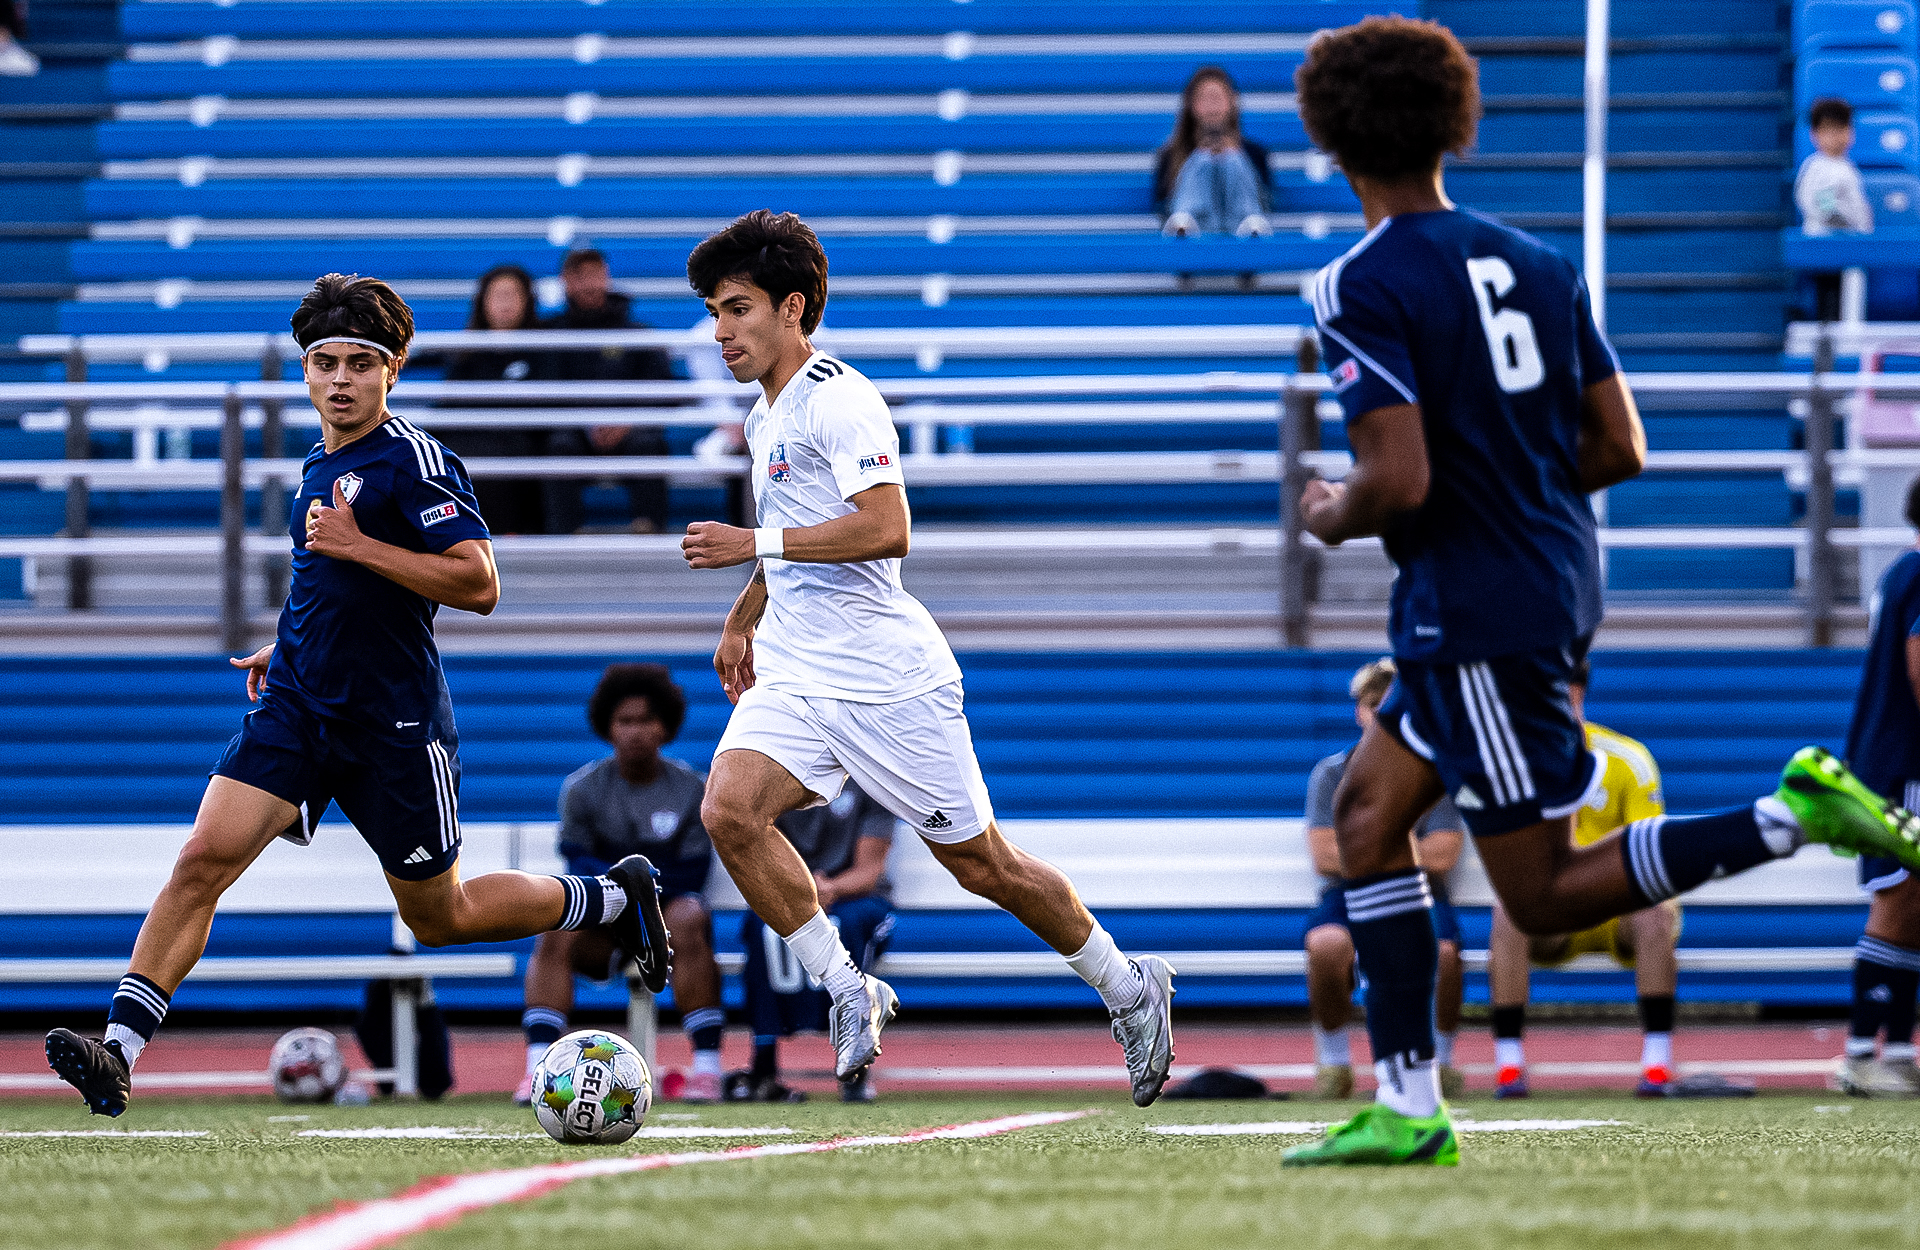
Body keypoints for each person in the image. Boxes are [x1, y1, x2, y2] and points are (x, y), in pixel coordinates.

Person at [1279, 17, 1920, 1167]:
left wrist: (1327, 507)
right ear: (1455, 122)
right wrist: (1511, 487)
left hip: (1475, 606)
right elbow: (1621, 444)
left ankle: (1794, 815)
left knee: (1542, 895)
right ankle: (1407, 1101)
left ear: (1331, 136)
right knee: (1369, 820)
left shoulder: (1354, 281)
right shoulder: (1541, 263)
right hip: (1541, 576)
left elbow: (1398, 477)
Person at [42, 274, 674, 1118]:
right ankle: (117, 1052)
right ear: (306, 372)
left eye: (361, 363)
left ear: (393, 370)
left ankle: (617, 896)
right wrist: (290, 642)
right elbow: (328, 582)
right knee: (201, 862)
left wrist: (359, 544)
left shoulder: (415, 460)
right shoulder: (318, 462)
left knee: (442, 917)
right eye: (326, 362)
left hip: (394, 726)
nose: (341, 379)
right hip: (299, 706)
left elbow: (479, 583)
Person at [679, 209, 1176, 1105]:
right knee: (729, 812)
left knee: (984, 866)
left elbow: (886, 527)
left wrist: (753, 543)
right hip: (798, 670)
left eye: (737, 309)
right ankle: (846, 985)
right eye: (715, 312)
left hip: (887, 679)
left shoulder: (840, 398)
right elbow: (796, 532)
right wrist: (744, 614)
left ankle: (1127, 984)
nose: (720, 331)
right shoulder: (763, 415)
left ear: (792, 308)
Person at [516, 663, 726, 1105]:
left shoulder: (692, 789)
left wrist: (639, 890)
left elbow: (693, 871)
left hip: (666, 925)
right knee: (554, 925)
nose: (635, 731)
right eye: (624, 721)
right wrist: (628, 891)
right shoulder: (582, 788)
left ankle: (707, 1069)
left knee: (690, 914)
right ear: (607, 727)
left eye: (646, 720)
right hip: (605, 922)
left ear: (665, 726)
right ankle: (538, 1067)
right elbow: (578, 863)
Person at [1487, 656, 1679, 1099]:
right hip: (1554, 911)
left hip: (1617, 908)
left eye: (1563, 697)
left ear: (1579, 695)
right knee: (1507, 912)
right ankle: (1509, 1065)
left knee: (1655, 910)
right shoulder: (1516, 764)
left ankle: (1657, 1062)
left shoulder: (1627, 759)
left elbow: (1647, 850)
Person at [1304, 658, 1467, 1101]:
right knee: (1326, 946)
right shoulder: (1332, 773)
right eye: (1373, 704)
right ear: (1359, 710)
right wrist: (1403, 848)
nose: (1380, 714)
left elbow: (1445, 854)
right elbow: (1323, 856)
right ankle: (1335, 1062)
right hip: (1350, 895)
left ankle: (1441, 1061)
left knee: (1445, 954)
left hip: (1419, 895)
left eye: (1389, 705)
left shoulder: (1436, 770)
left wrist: (1367, 851)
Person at [733, 780, 897, 1104]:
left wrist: (830, 889)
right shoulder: (773, 780)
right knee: (761, 928)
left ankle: (857, 1064)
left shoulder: (871, 782)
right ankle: (763, 1068)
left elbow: (868, 871)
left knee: (847, 928)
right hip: (792, 893)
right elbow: (761, 861)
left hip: (856, 899)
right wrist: (803, 892)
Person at [1835, 477, 1920, 1099]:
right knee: (1900, 898)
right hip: (1907, 765)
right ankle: (1862, 1053)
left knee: (1912, 904)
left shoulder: (1901, 572)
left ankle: (1896, 1050)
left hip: (1887, 760)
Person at [542, 248, 678, 535]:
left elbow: (664, 388)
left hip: (632, 429)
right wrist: (587, 423)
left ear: (607, 277)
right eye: (580, 275)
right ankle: (564, 534)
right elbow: (545, 391)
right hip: (574, 431)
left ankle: (650, 530)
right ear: (565, 280)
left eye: (595, 274)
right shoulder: (549, 334)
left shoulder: (638, 334)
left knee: (648, 444)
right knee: (559, 445)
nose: (589, 283)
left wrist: (627, 421)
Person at [438, 264, 550, 535]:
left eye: (513, 295)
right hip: (471, 443)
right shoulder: (464, 356)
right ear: (483, 302)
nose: (505, 304)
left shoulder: (546, 350)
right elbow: (448, 410)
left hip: (522, 446)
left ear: (527, 301)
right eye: (498, 295)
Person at [1154, 66, 1273, 238]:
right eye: (1204, 99)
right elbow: (1162, 203)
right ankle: (1185, 225)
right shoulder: (1171, 153)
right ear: (1191, 105)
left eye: (1217, 98)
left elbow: (1267, 199)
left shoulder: (1254, 153)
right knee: (1202, 160)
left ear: (1232, 101)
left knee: (1232, 160)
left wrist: (1233, 155)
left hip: (1240, 231)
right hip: (1193, 238)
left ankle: (1248, 223)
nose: (1212, 107)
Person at [1795, 97, 1874, 322]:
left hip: (1848, 245)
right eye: (1829, 130)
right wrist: (1842, 221)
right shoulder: (1818, 167)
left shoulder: (1846, 167)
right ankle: (1827, 337)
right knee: (1829, 297)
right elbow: (1823, 205)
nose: (1837, 136)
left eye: (1842, 129)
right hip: (1827, 244)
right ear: (1815, 134)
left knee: (1847, 299)